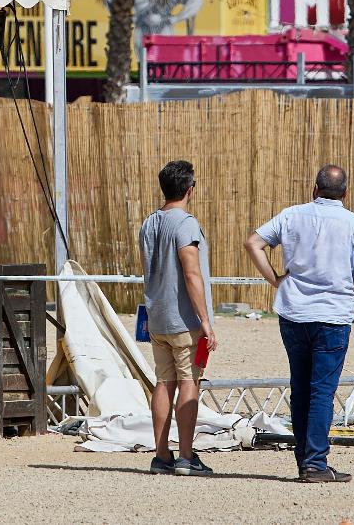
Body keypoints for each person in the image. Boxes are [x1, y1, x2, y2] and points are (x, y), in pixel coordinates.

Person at [243, 164, 354, 483]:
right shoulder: (352, 223)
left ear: (314, 188)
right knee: (321, 391)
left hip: (293, 312)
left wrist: (275, 280)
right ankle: (316, 464)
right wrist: (353, 287)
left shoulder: (292, 215)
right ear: (345, 193)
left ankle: (305, 459)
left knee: (300, 388)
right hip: (332, 314)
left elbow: (253, 243)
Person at [140, 159, 217, 476]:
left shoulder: (149, 222)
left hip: (156, 315)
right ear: (189, 188)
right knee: (189, 382)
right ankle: (186, 455)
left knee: (163, 382)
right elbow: (191, 272)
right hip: (183, 319)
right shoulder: (185, 224)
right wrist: (205, 320)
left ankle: (161, 454)